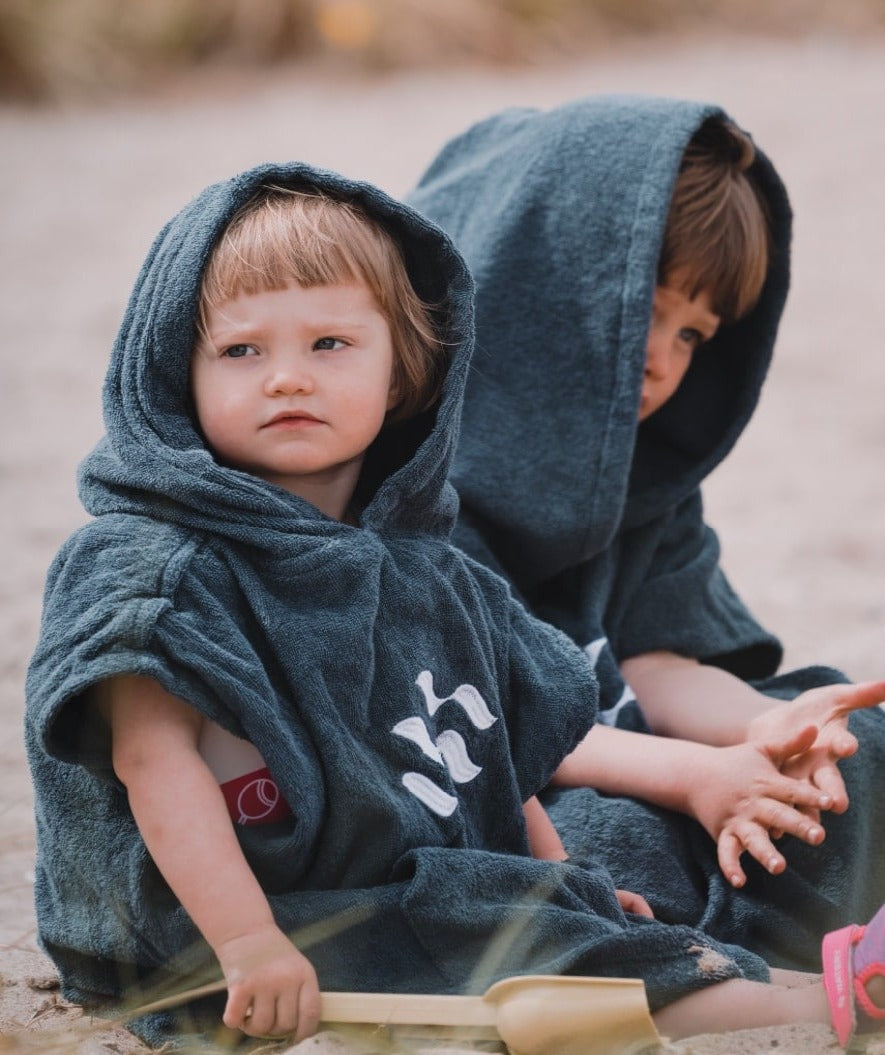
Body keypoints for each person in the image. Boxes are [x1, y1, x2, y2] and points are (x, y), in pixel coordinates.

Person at [23, 160, 885, 1052]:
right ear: (177, 372)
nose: (285, 378)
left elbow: (485, 750)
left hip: (393, 879)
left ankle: (828, 975)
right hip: (218, 927)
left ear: (402, 372)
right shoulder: (152, 564)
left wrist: (561, 879)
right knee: (544, 957)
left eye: (329, 345)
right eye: (242, 350)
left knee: (578, 930)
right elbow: (151, 761)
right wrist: (250, 945)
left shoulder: (426, 573)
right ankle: (833, 1000)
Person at [407, 94, 885, 969]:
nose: (663, 358)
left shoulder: (639, 471)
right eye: (644, 310)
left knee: (849, 743)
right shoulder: (414, 490)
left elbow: (657, 661)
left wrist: (764, 732)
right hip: (514, 789)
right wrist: (695, 778)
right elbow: (491, 728)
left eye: (694, 333)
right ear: (532, 284)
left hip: (663, 763)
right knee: (587, 847)